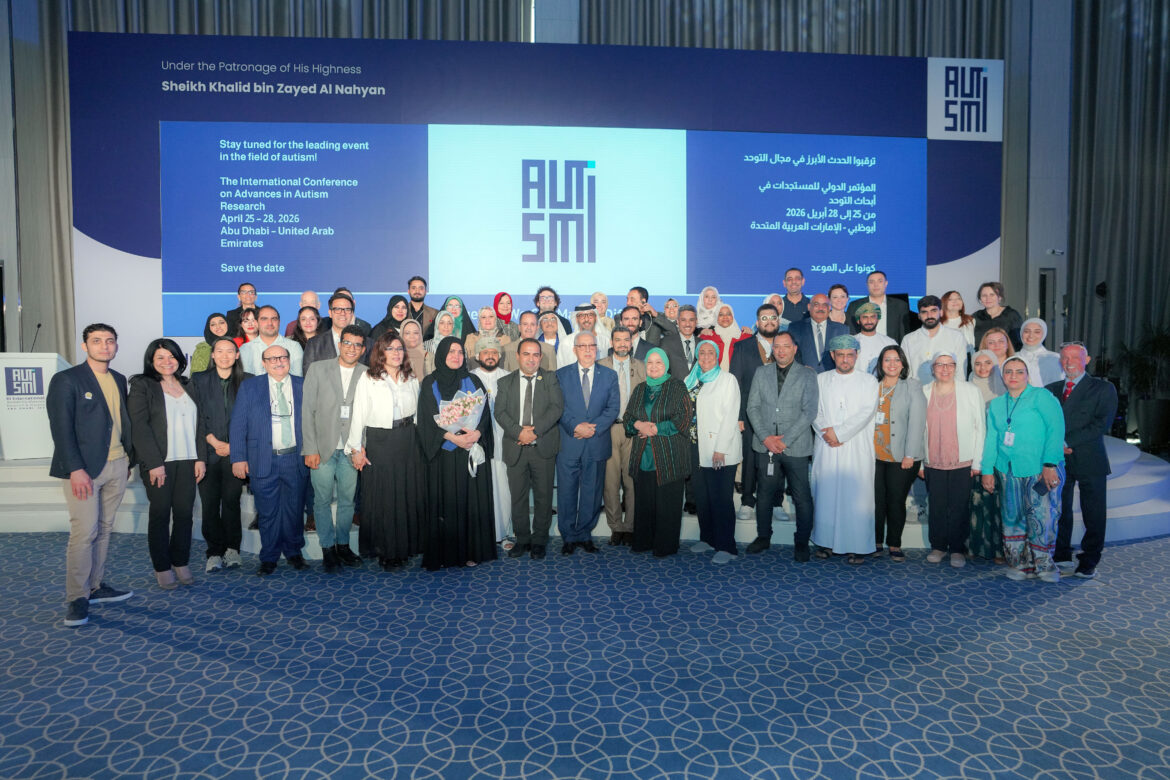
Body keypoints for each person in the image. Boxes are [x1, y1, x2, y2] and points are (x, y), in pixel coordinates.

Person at [48, 323, 136, 627]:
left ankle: (95, 586)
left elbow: (120, 421)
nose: (104, 346)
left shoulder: (119, 378)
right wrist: (75, 469)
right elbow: (61, 428)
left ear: (116, 346)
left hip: (117, 464)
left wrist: (127, 461)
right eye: (97, 341)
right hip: (84, 470)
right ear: (85, 346)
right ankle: (77, 597)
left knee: (104, 528)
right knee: (84, 532)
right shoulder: (67, 379)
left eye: (110, 341)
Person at [980, 356, 1066, 581]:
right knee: (1013, 518)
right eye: (1008, 372)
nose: (1014, 376)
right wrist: (987, 470)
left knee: (1042, 516)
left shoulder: (1042, 397)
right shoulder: (996, 404)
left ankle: (1045, 565)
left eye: (1019, 371)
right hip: (1007, 471)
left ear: (1027, 375)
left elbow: (1056, 429)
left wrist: (1050, 464)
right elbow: (991, 439)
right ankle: (1020, 564)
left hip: (1040, 470)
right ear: (1002, 376)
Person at [128, 338, 205, 589]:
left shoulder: (189, 385)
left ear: (179, 359)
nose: (167, 361)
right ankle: (162, 566)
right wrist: (153, 463)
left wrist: (200, 458)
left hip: (188, 460)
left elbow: (200, 424)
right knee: (161, 514)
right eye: (160, 357)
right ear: (151, 361)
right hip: (159, 463)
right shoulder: (143, 385)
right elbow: (139, 427)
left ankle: (180, 561)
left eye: (171, 356)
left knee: (184, 515)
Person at [347, 331, 426, 570]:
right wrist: (355, 449)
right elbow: (358, 414)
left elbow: (419, 414)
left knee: (406, 493)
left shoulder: (411, 377)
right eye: (390, 348)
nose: (396, 353)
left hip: (408, 439)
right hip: (380, 441)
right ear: (381, 352)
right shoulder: (368, 378)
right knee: (384, 497)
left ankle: (405, 546)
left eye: (399, 348)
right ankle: (386, 551)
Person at [416, 337, 497, 570]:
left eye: (460, 352)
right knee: (447, 503)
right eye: (451, 352)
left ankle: (471, 551)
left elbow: (484, 415)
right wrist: (454, 438)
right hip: (444, 454)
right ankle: (446, 554)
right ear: (442, 354)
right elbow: (426, 421)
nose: (456, 356)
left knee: (470, 504)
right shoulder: (430, 383)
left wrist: (477, 433)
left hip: (469, 452)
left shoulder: (473, 380)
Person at [230, 344, 310, 575]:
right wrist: (238, 458)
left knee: (294, 510)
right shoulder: (250, 387)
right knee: (267, 512)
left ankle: (294, 552)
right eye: (272, 359)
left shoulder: (303, 385)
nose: (278, 362)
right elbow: (238, 425)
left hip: (295, 458)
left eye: (282, 357)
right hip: (263, 459)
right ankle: (269, 557)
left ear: (289, 360)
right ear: (263, 364)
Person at [745, 331, 818, 559]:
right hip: (766, 446)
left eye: (786, 346)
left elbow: (809, 412)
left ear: (794, 349)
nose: (781, 350)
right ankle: (763, 537)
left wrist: (784, 440)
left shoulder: (807, 375)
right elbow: (752, 407)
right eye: (777, 346)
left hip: (795, 446)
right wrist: (766, 437)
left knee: (802, 497)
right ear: (772, 349)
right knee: (764, 494)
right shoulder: (761, 372)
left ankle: (802, 542)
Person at [1049, 343, 1118, 579]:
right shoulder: (1050, 389)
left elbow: (1101, 424)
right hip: (1059, 459)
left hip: (1090, 458)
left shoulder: (1103, 388)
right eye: (1064, 358)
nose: (1069, 362)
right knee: (1060, 509)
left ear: (1086, 360)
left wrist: (1066, 442)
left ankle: (1089, 559)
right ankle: (1061, 554)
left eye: (1075, 357)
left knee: (1094, 512)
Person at [301, 325, 366, 572]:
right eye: (347, 343)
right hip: (322, 448)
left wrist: (362, 448)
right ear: (340, 344)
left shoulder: (367, 374)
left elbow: (368, 416)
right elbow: (307, 411)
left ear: (363, 349)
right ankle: (327, 548)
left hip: (352, 450)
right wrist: (310, 448)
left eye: (357, 345)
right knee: (322, 501)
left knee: (348, 501)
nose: (352, 348)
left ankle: (343, 545)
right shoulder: (318, 369)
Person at [812, 335, 879, 564]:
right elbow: (814, 411)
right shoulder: (820, 380)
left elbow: (867, 412)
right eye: (840, 355)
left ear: (856, 355)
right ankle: (826, 542)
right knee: (827, 495)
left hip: (856, 446)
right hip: (827, 446)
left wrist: (839, 433)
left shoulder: (869, 381)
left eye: (850, 355)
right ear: (832, 356)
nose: (845, 359)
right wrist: (827, 433)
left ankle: (857, 546)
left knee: (856, 497)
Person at [495, 338, 564, 559]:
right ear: (517, 356)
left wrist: (533, 432)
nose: (531, 359)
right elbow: (500, 412)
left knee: (544, 497)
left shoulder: (550, 378)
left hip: (542, 447)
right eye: (526, 354)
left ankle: (539, 541)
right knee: (518, 498)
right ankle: (523, 539)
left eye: (535, 354)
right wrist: (519, 433)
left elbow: (556, 408)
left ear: (541, 357)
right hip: (515, 448)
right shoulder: (505, 382)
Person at [623, 348, 692, 557]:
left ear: (666, 365)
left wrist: (654, 429)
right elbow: (627, 418)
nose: (653, 366)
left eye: (658, 362)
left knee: (667, 503)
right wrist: (638, 425)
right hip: (643, 456)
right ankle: (644, 541)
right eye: (650, 362)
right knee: (644, 502)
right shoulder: (640, 388)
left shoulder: (677, 386)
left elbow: (684, 419)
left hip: (669, 456)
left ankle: (665, 545)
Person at [556, 331, 620, 554]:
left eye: (591, 346)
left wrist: (593, 429)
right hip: (569, 442)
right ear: (574, 350)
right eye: (582, 346)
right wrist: (576, 426)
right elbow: (558, 407)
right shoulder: (561, 375)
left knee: (592, 492)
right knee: (566, 492)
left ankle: (584, 535)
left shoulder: (609, 375)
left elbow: (613, 408)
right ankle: (568, 536)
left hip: (596, 442)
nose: (587, 350)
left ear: (597, 349)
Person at [921, 352, 987, 568]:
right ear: (933, 369)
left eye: (950, 364)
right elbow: (918, 429)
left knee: (959, 507)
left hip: (963, 461)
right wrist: (920, 462)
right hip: (933, 460)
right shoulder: (923, 392)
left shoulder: (970, 391)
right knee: (937, 506)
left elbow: (980, 428)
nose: (945, 369)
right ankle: (938, 547)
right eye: (940, 365)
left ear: (956, 367)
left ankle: (958, 549)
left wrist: (977, 462)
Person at [192, 337, 251, 573]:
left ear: (237, 355)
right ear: (213, 355)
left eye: (230, 351)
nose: (225, 356)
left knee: (231, 502)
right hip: (207, 452)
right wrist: (213, 440)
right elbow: (195, 415)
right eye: (220, 351)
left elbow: (252, 418)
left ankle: (232, 549)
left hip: (236, 454)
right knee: (209, 505)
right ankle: (214, 552)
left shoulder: (248, 381)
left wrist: (234, 446)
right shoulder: (199, 380)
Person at [686, 341, 742, 564]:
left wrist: (720, 449)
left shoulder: (727, 379)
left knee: (721, 499)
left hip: (720, 449)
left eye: (711, 352)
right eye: (702, 353)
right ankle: (708, 538)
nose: (706, 356)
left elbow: (730, 416)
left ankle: (727, 546)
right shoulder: (691, 379)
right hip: (695, 446)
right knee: (702, 497)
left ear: (717, 355)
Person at [869, 345, 926, 560]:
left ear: (903, 364)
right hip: (873, 455)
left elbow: (917, 422)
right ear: (880, 364)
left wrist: (910, 454)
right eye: (887, 360)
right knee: (875, 501)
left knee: (895, 499)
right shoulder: (872, 386)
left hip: (902, 455)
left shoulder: (911, 386)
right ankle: (874, 541)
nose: (891, 364)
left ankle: (894, 543)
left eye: (896, 360)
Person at [730, 303, 783, 522]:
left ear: (778, 320)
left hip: (780, 415)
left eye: (773, 317)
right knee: (751, 459)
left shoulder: (786, 345)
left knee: (778, 457)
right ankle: (747, 501)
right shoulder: (743, 347)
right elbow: (736, 383)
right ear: (757, 322)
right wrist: (739, 416)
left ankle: (776, 502)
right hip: (750, 415)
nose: (769, 322)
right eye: (764, 318)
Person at [598, 327, 645, 546]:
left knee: (632, 481)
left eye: (626, 340)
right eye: (618, 340)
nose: (622, 344)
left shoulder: (641, 367)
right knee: (610, 482)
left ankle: (631, 526)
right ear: (611, 342)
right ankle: (616, 527)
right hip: (608, 430)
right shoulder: (600, 366)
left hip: (633, 430)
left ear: (631, 342)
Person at [470, 336, 514, 549]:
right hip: (477, 442)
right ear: (477, 356)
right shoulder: (469, 378)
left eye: (494, 352)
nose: (490, 356)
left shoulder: (509, 377)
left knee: (503, 488)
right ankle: (480, 536)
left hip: (504, 441)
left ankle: (503, 534)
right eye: (486, 352)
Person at [900, 295, 969, 385]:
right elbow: (906, 372)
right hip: (917, 390)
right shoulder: (908, 340)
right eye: (924, 312)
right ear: (919, 316)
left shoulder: (956, 337)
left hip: (948, 390)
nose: (929, 316)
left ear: (941, 312)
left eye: (933, 311)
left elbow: (961, 372)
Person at [788, 294, 849, 373]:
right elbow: (791, 354)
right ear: (809, 307)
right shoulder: (795, 328)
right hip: (804, 376)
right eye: (816, 305)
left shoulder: (842, 330)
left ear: (829, 308)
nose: (820, 308)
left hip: (833, 377)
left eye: (824, 305)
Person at [845, 270, 910, 341]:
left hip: (891, 346)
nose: (876, 285)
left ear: (886, 283)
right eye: (871, 282)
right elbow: (851, 332)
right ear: (867, 284)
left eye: (880, 281)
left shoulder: (900, 305)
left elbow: (903, 333)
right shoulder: (854, 305)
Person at [240, 305, 305, 376]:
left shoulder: (294, 346)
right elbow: (246, 379)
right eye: (264, 319)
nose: (270, 323)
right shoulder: (246, 349)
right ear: (256, 322)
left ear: (279, 322)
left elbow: (297, 378)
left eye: (274, 319)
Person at [304, 293, 365, 367]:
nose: (343, 313)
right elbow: (308, 373)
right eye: (337, 309)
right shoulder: (314, 344)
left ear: (352, 313)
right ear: (330, 313)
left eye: (347, 309)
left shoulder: (368, 344)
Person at [973, 281, 1024, 350]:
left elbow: (1018, 343)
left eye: (992, 295)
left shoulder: (1012, 315)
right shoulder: (975, 317)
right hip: (982, 355)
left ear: (999, 297)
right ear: (980, 299)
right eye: (984, 295)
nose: (988, 298)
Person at [558, 303, 611, 368]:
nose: (586, 319)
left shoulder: (606, 341)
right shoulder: (566, 342)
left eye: (590, 315)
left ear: (596, 318)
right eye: (582, 316)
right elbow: (560, 367)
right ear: (576, 319)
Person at [703, 304, 752, 372]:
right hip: (713, 377)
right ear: (716, 318)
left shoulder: (745, 337)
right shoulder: (707, 337)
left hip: (737, 377)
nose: (725, 317)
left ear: (733, 317)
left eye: (728, 314)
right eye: (721, 314)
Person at [658, 304, 701, 382]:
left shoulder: (703, 344)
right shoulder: (666, 343)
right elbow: (659, 372)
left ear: (696, 321)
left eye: (691, 320)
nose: (687, 324)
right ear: (677, 321)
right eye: (683, 320)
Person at [1018, 318, 1064, 387]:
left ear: (1044, 334)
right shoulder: (1012, 357)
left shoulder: (1055, 358)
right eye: (1027, 331)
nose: (1031, 335)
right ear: (1021, 333)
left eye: (1037, 332)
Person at [853, 302, 896, 375]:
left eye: (872, 317)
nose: (869, 321)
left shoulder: (889, 343)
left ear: (878, 319)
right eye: (865, 317)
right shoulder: (851, 341)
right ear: (858, 320)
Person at [466, 306, 514, 370]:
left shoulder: (505, 339)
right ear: (479, 320)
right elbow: (467, 362)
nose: (487, 320)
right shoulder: (471, 338)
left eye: (491, 316)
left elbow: (509, 364)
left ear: (495, 319)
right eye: (484, 317)